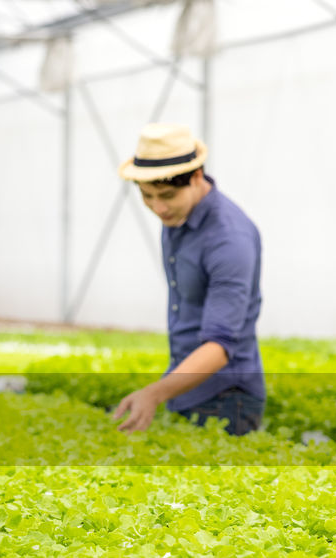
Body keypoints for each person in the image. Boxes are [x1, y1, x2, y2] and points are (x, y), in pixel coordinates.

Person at [112, 123, 264, 436]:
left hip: (227, 400)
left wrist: (154, 393)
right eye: (148, 196)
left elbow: (220, 345)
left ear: (196, 177)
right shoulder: (177, 216)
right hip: (181, 387)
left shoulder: (228, 240)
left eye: (167, 196)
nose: (158, 208)